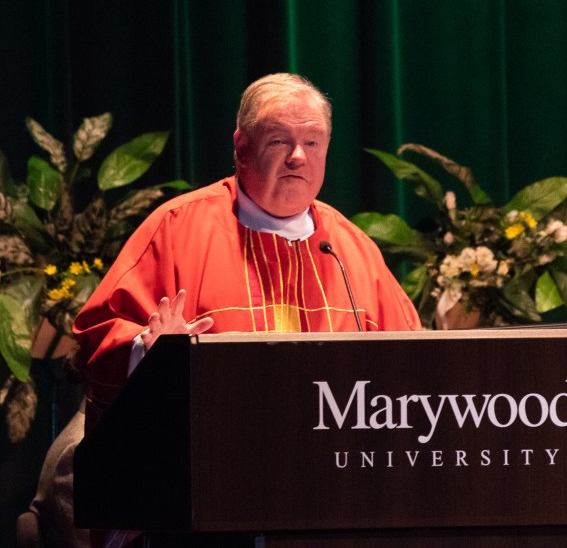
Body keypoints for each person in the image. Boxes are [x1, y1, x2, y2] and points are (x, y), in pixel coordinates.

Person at [73, 73, 421, 422]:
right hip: (204, 453)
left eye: (313, 142)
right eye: (279, 141)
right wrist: (149, 353)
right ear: (241, 148)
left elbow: (417, 369)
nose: (298, 156)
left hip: (334, 466)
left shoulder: (352, 249)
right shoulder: (177, 228)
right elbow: (95, 338)